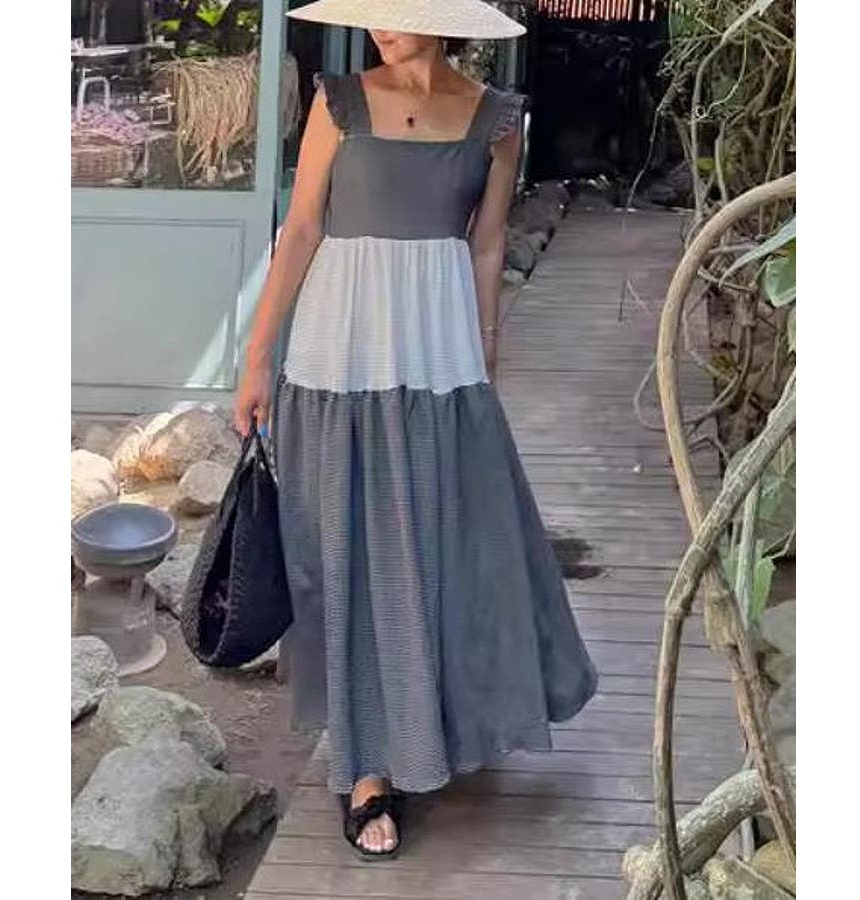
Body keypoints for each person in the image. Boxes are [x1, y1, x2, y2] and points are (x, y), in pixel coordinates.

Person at [234, 0, 598, 861]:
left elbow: (487, 243)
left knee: (449, 548)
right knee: (345, 559)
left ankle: (431, 724)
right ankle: (366, 769)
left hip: (440, 363)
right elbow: (302, 229)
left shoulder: (495, 119)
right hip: (335, 360)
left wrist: (485, 353)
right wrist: (256, 358)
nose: (381, 22)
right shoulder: (338, 102)